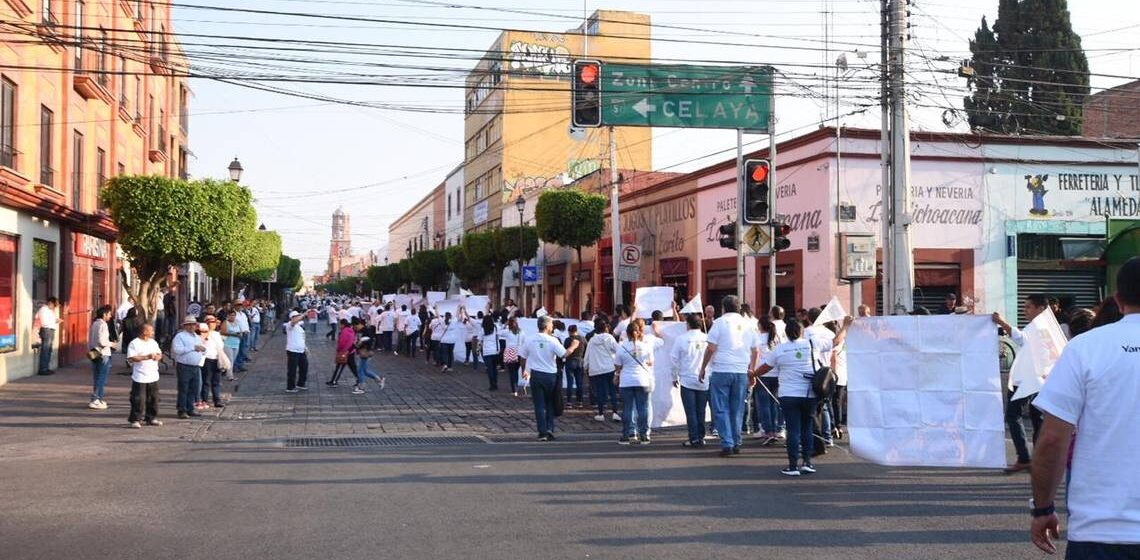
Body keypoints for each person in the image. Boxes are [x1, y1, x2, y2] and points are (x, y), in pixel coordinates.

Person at [1029, 257, 1140, 558]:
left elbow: (1052, 439)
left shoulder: (1084, 348)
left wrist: (1043, 508)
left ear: (1117, 299)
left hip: (1100, 531)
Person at [753, 316, 852, 476]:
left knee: (793, 430)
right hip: (809, 394)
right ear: (801, 332)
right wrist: (846, 326)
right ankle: (807, 462)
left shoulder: (780, 349)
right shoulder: (812, 344)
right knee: (807, 428)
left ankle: (792, 466)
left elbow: (765, 368)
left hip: (788, 395)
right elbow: (836, 341)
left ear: (786, 333)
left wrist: (752, 375)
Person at [993, 294, 1049, 473]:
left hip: (1027, 379)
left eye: (1029, 307)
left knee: (1013, 415)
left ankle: (1025, 458)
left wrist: (1002, 322)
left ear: (1040, 308)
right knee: (1036, 417)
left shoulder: (1039, 326)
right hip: (1037, 378)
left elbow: (1021, 339)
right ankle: (1038, 459)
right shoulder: (1044, 325)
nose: (1025, 310)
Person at [700, 295, 759, 457]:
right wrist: (752, 370)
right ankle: (736, 441)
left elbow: (711, 348)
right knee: (737, 408)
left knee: (720, 408)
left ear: (723, 308)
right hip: (741, 371)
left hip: (721, 369)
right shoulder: (748, 324)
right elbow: (756, 350)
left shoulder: (719, 323)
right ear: (739, 307)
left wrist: (703, 367)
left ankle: (727, 442)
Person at [615, 319, 663, 445]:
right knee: (643, 408)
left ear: (628, 333)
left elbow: (617, 365)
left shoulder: (622, 346)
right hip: (643, 379)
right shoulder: (646, 346)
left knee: (628, 408)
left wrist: (617, 374)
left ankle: (627, 434)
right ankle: (644, 435)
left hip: (626, 380)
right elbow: (651, 362)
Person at [519, 316, 567, 441]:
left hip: (536, 374)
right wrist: (573, 346)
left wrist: (524, 369)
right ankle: (550, 428)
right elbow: (563, 354)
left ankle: (542, 432)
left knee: (539, 404)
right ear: (546, 326)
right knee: (550, 402)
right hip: (550, 374)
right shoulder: (553, 340)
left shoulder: (530, 339)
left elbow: (523, 356)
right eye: (551, 325)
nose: (552, 327)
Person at [672, 314, 709, 447]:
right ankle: (701, 436)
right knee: (701, 410)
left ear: (688, 324)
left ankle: (694, 437)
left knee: (691, 410)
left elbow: (674, 360)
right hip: (704, 378)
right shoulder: (707, 338)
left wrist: (673, 376)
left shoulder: (681, 339)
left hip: (687, 378)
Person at [125, 323, 163, 428]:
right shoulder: (135, 343)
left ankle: (151, 417)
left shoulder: (153, 342)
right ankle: (135, 419)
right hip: (140, 376)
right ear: (144, 331)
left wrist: (158, 357)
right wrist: (146, 357)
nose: (153, 332)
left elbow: (159, 353)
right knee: (138, 399)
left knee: (153, 398)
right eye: (151, 330)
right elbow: (132, 358)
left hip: (153, 375)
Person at [754, 316, 783, 446]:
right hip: (776, 374)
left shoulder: (758, 339)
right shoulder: (777, 339)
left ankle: (768, 430)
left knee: (763, 404)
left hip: (762, 373)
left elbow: (754, 356)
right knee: (774, 403)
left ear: (760, 326)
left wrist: (752, 372)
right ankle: (776, 429)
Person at [585, 318, 621, 422]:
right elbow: (618, 350)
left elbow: (587, 355)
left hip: (596, 369)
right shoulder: (609, 338)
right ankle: (615, 412)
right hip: (609, 367)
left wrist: (586, 366)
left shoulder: (592, 340)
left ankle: (601, 413)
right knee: (612, 391)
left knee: (600, 392)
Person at [171, 317, 206, 419]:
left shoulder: (197, 337)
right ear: (185, 326)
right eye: (189, 324)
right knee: (183, 389)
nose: (192, 326)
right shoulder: (180, 336)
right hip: (184, 366)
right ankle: (182, 410)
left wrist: (203, 350)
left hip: (195, 366)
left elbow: (201, 349)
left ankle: (190, 408)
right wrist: (193, 348)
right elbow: (177, 350)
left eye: (193, 324)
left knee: (193, 389)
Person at [87, 305, 116, 410]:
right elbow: (102, 341)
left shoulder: (94, 324)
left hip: (94, 353)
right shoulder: (103, 325)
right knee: (102, 377)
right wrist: (111, 344)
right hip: (103, 353)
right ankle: (95, 398)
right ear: (104, 314)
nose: (110, 316)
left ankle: (99, 398)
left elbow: (91, 340)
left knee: (97, 376)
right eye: (109, 314)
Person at [200, 316, 226, 409]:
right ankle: (204, 399)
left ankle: (217, 399)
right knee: (206, 380)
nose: (213, 324)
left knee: (216, 381)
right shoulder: (202, 334)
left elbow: (221, 346)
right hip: (207, 358)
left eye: (214, 322)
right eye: (211, 322)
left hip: (216, 358)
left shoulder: (216, 334)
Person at [284, 311, 309, 393]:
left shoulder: (299, 327)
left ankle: (301, 383)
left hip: (301, 350)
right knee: (292, 369)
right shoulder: (289, 325)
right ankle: (290, 387)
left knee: (304, 367)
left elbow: (302, 338)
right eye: (296, 316)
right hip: (292, 350)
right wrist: (304, 314)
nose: (298, 317)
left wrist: (305, 348)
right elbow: (294, 321)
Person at [35, 297, 60, 376]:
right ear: (50, 303)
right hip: (46, 330)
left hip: (50, 330)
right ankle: (43, 369)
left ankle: (46, 367)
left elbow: (51, 320)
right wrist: (55, 320)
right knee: (45, 350)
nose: (54, 307)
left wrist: (56, 320)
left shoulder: (49, 311)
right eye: (54, 305)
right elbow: (45, 321)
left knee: (49, 350)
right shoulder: (44, 309)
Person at [329, 319, 357, 386]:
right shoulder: (351, 330)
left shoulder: (344, 331)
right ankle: (360, 379)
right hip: (351, 351)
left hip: (344, 352)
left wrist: (339, 349)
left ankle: (334, 381)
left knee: (339, 366)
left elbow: (342, 343)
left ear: (343, 324)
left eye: (340, 324)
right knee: (353, 367)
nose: (339, 325)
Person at [501, 317, 525, 396]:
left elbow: (498, 332)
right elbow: (524, 342)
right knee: (516, 371)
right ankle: (516, 387)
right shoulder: (521, 332)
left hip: (510, 352)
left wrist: (504, 325)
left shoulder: (508, 331)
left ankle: (514, 389)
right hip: (519, 353)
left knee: (511, 372)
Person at [480, 316, 501, 390]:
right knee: (494, 368)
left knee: (490, 369)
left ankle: (492, 384)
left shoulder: (483, 329)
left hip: (486, 351)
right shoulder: (495, 328)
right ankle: (495, 383)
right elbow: (498, 336)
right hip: (495, 350)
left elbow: (480, 340)